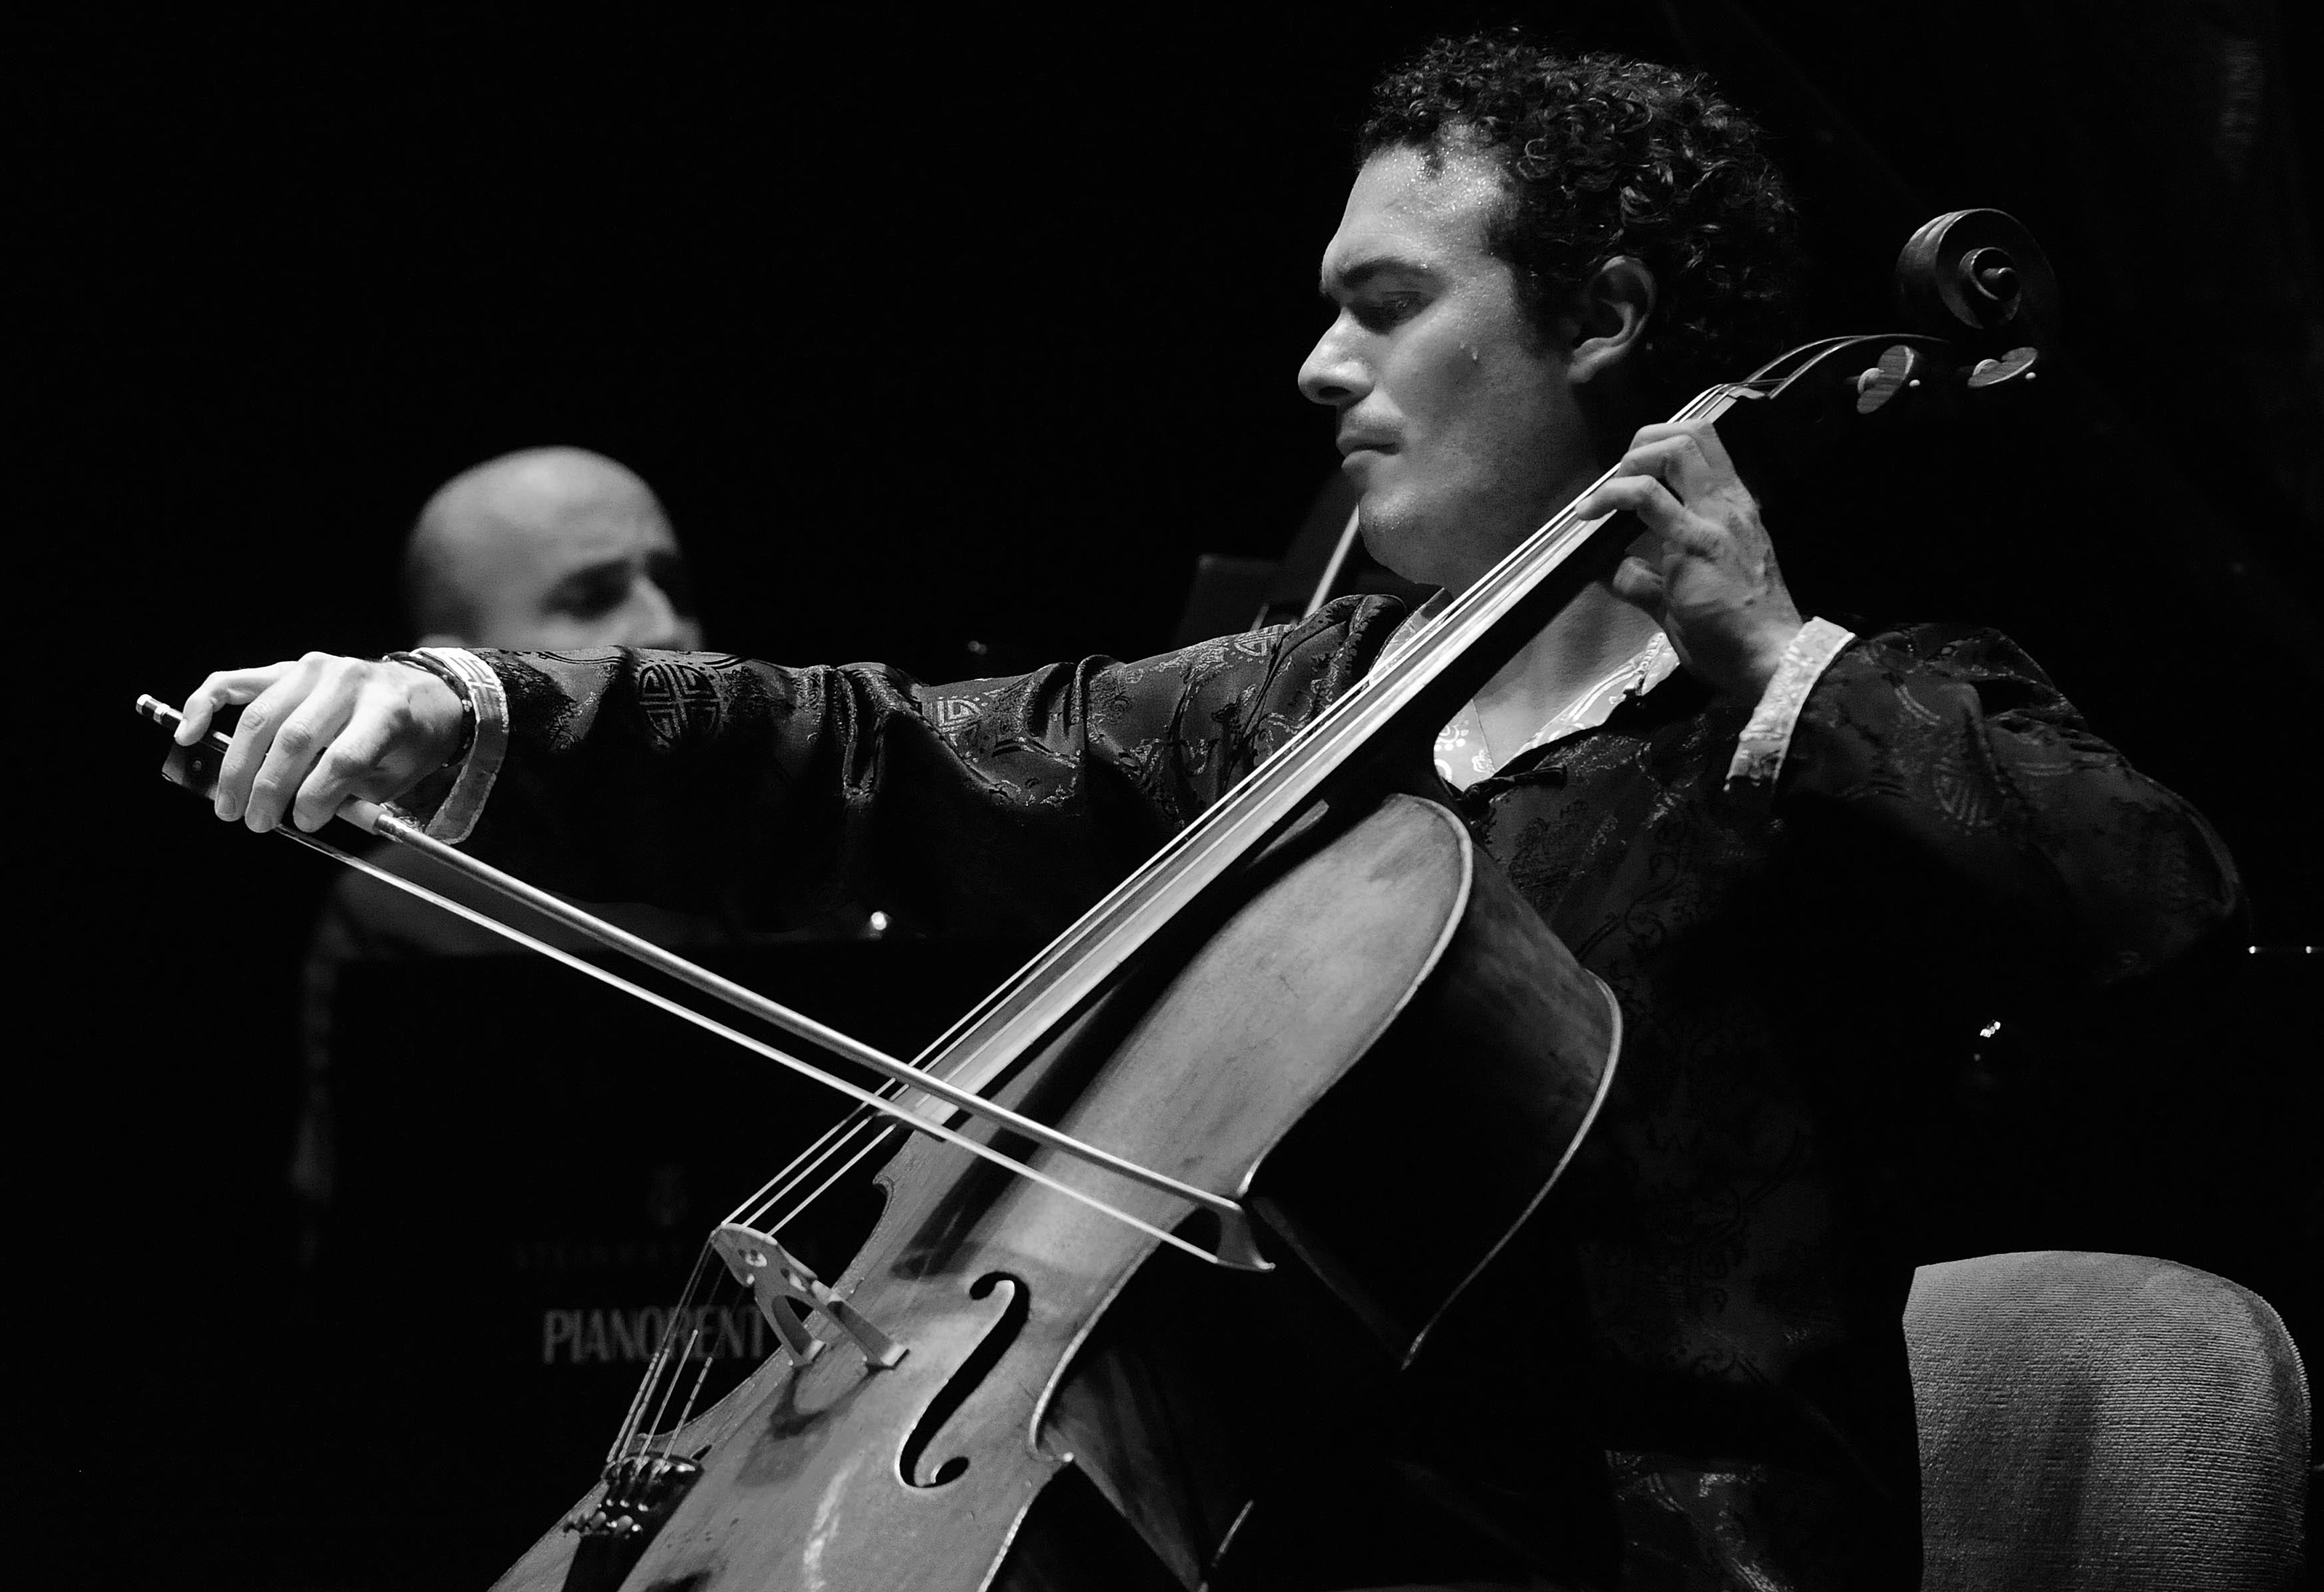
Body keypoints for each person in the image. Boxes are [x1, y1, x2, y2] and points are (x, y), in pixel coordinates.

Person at [176, 37, 2239, 1591]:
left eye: (1387, 300)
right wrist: (474, 716)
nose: (1318, 362)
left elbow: (2165, 912)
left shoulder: (1844, 700)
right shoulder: (1301, 707)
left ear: (1601, 315)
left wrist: (1775, 649)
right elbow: (882, 756)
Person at [291, 446, 721, 1253]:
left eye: (675, 584)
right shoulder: (402, 912)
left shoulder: (810, 851)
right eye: (594, 597)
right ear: (452, 663)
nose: (667, 625)